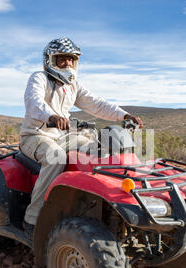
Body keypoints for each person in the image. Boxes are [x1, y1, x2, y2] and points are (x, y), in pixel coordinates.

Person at [19, 37, 143, 240]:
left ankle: (101, 202)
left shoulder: (73, 85)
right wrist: (51, 116)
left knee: (96, 148)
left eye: (71, 60)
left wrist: (124, 115)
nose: (67, 64)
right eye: (62, 59)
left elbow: (97, 104)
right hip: (35, 136)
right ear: (50, 60)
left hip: (62, 136)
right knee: (56, 157)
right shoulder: (39, 78)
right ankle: (32, 219)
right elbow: (33, 101)